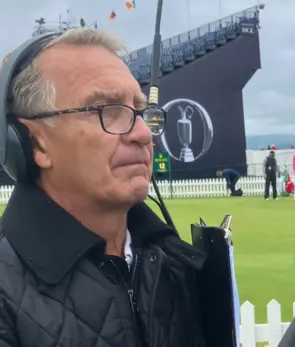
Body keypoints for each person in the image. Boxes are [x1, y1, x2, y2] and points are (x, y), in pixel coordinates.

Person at [0, 28, 209, 346]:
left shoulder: (175, 263)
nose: (142, 134)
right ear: (34, 143)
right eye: (106, 111)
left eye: (141, 111)